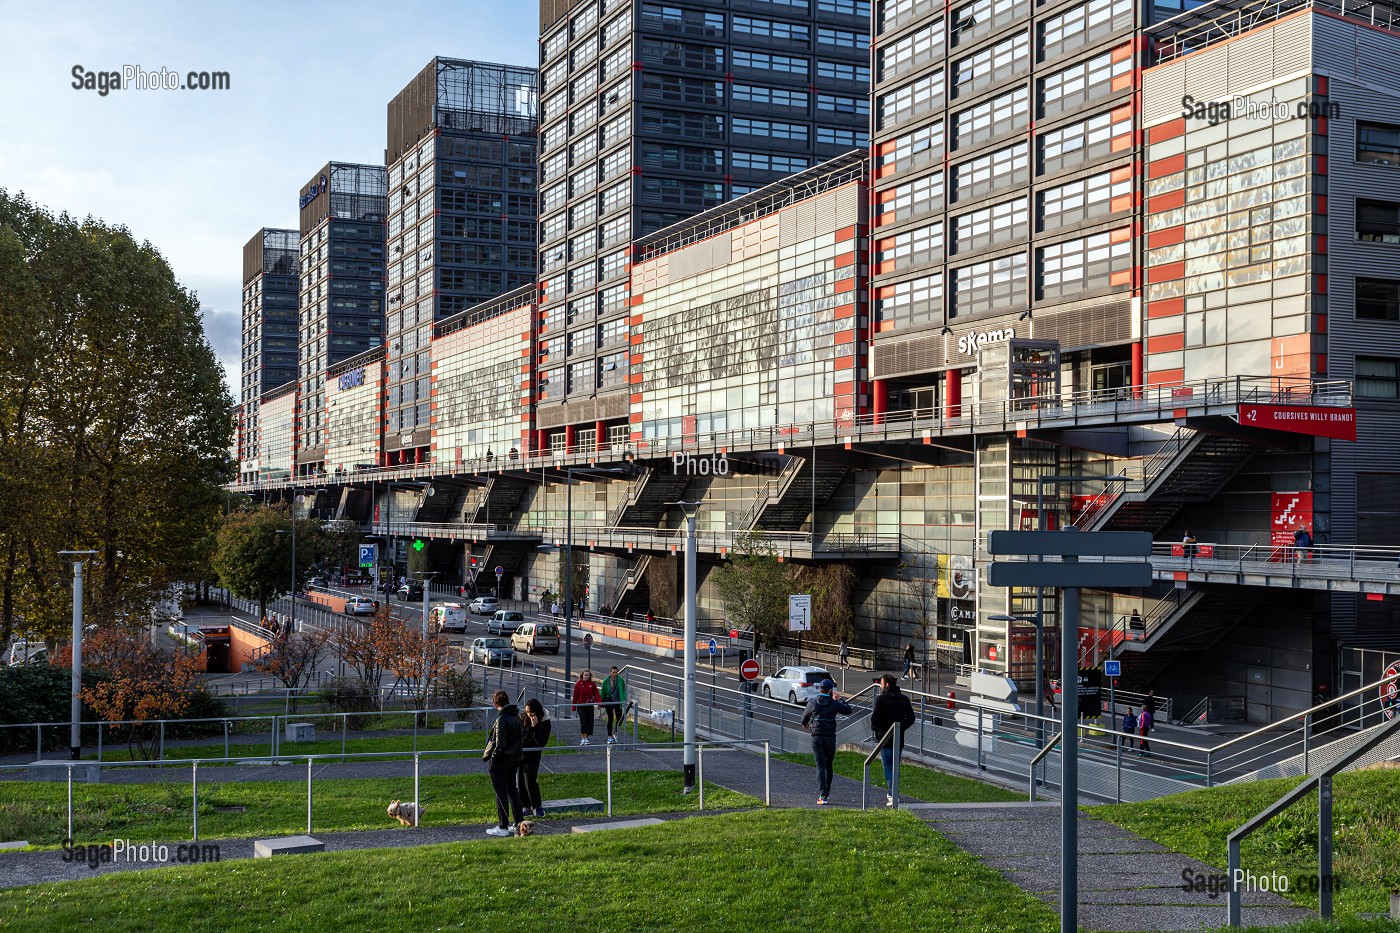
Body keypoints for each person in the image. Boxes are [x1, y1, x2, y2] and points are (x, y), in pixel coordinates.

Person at [801, 679, 852, 805]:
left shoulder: (813, 702)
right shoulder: (834, 703)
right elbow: (848, 710)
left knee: (820, 765)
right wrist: (839, 698)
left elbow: (804, 718)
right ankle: (827, 792)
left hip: (816, 736)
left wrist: (806, 724)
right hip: (830, 736)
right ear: (830, 691)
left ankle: (822, 795)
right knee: (828, 764)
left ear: (820, 689)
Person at [482, 690, 525, 836]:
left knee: (500, 792)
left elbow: (500, 743)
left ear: (495, 704)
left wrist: (494, 757)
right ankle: (519, 822)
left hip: (502, 760)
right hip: (515, 758)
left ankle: (503, 826)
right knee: (513, 790)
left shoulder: (502, 718)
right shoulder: (517, 716)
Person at [869, 674, 916, 806]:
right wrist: (900, 728)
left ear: (887, 685)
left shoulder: (881, 700)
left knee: (888, 765)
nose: (880, 685)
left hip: (884, 738)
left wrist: (877, 730)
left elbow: (875, 718)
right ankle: (892, 792)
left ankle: (892, 793)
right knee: (895, 766)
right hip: (898, 738)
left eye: (882, 683)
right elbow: (911, 718)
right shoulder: (904, 699)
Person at [517, 698, 552, 818]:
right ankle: (525, 806)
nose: (529, 715)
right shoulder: (522, 718)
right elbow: (521, 737)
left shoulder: (544, 721)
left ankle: (537, 806)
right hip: (521, 753)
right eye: (527, 712)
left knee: (530, 780)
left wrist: (535, 726)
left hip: (533, 754)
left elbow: (542, 741)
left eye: (531, 712)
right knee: (521, 782)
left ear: (537, 712)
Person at [572, 669, 602, 745]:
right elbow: (575, 696)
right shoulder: (578, 684)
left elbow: (596, 694)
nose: (586, 677)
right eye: (585, 675)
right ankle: (583, 738)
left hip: (589, 705)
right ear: (582, 675)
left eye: (588, 675)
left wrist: (599, 703)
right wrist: (573, 707)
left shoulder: (592, 684)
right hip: (581, 705)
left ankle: (586, 738)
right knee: (583, 721)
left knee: (590, 721)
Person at [600, 666, 628, 745]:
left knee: (619, 719)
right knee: (610, 719)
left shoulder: (620, 680)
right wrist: (600, 703)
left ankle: (616, 734)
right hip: (609, 701)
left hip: (617, 702)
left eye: (616, 672)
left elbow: (623, 690)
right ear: (610, 672)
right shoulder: (606, 681)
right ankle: (609, 737)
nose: (614, 674)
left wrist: (623, 700)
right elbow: (603, 691)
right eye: (613, 672)